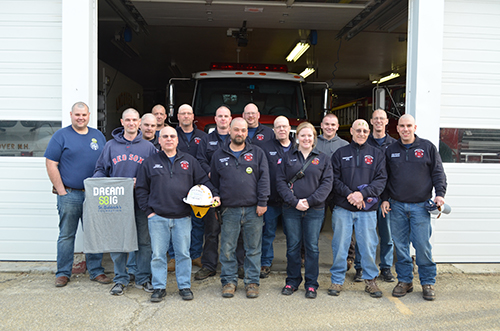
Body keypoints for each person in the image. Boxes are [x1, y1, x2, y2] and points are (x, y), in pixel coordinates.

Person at [135, 126, 219, 302]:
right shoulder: (149, 162)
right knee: (158, 255)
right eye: (165, 136)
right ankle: (159, 287)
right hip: (157, 217)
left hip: (182, 217)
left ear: (177, 140)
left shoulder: (189, 161)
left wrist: (214, 194)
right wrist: (148, 212)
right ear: (159, 140)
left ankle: (184, 286)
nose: (169, 139)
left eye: (172, 136)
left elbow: (203, 181)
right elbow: (141, 189)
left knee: (183, 254)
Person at [44, 102, 111, 287]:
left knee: (94, 234)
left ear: (89, 115)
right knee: (67, 235)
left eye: (84, 115)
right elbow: (51, 164)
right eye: (77, 115)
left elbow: (106, 163)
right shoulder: (61, 136)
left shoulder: (98, 136)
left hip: (93, 195)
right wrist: (62, 191)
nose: (80, 118)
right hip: (70, 194)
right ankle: (63, 273)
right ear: (71, 115)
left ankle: (96, 271)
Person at [381, 114, 447, 301]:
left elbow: (438, 173)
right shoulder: (390, 150)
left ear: (415, 127)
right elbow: (384, 177)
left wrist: (440, 194)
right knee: (400, 247)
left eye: (409, 125)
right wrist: (385, 199)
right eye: (402, 126)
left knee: (422, 246)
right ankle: (405, 281)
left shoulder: (427, 148)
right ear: (397, 128)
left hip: (420, 207)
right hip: (397, 206)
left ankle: (427, 282)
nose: (405, 129)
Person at [93, 108, 157, 296]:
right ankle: (120, 278)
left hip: (141, 202)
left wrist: (143, 182)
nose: (131, 123)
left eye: (134, 120)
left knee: (144, 242)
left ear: (139, 123)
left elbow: (156, 173)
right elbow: (100, 170)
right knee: (118, 242)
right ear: (122, 122)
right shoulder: (111, 146)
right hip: (117, 203)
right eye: (127, 120)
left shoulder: (148, 147)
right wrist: (98, 184)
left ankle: (143, 278)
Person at [210, 117, 270, 299]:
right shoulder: (218, 155)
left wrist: (263, 202)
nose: (240, 133)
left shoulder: (258, 153)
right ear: (229, 130)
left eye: (243, 130)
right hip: (229, 209)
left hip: (254, 209)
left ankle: (252, 282)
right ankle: (228, 281)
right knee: (227, 247)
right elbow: (213, 182)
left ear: (246, 132)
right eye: (236, 130)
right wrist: (216, 197)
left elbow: (264, 179)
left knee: (253, 248)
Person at [328, 119, 387, 298]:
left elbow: (381, 180)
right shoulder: (340, 153)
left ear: (368, 133)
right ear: (351, 132)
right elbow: (334, 179)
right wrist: (350, 195)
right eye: (358, 130)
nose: (361, 134)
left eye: (365, 131)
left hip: (367, 210)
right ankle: (337, 280)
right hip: (343, 208)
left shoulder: (377, 154)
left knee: (368, 246)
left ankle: (370, 280)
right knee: (340, 245)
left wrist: (362, 195)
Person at [276, 122, 333, 299]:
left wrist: (309, 201)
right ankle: (292, 281)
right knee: (293, 246)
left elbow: (327, 184)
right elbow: (280, 182)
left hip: (314, 210)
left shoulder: (323, 158)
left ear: (314, 138)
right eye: (303, 135)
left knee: (312, 248)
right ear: (297, 137)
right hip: (291, 209)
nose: (306, 139)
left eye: (310, 136)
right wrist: (294, 202)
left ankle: (311, 284)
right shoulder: (287, 157)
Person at [194, 105, 245, 281]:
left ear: (230, 119)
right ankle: (209, 266)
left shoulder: (238, 140)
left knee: (237, 232)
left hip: (233, 194)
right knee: (211, 231)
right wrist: (211, 172)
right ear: (215, 119)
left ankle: (239, 265)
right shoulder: (206, 141)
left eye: (226, 116)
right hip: (212, 192)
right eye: (220, 116)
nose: (223, 119)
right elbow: (200, 160)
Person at [353, 109, 397, 282]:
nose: (379, 121)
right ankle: (360, 267)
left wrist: (386, 197)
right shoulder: (363, 141)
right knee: (362, 235)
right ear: (371, 121)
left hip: (385, 198)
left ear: (387, 121)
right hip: (366, 198)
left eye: (382, 118)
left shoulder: (394, 144)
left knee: (386, 236)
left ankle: (386, 267)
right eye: (376, 118)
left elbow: (391, 175)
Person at [167, 104, 207, 271]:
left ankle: (196, 255)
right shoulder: (171, 135)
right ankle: (174, 257)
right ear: (178, 116)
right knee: (174, 222)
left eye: (188, 113)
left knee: (197, 223)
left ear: (193, 116)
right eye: (182, 113)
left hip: (197, 186)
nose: (185, 116)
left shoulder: (203, 136)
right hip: (177, 185)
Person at [258, 116, 293, 279]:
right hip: (271, 200)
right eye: (278, 127)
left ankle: (293, 263)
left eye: (284, 126)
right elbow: (261, 175)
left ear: (289, 128)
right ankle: (265, 263)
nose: (281, 129)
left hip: (291, 202)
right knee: (268, 233)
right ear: (273, 130)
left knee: (293, 234)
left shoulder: (297, 147)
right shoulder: (264, 148)